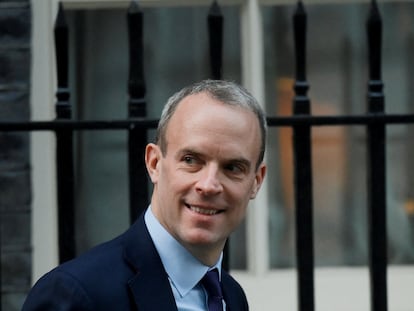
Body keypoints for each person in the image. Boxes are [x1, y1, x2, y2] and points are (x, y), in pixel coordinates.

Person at [22, 79, 267, 311]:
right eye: (191, 160)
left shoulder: (232, 296)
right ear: (154, 163)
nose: (209, 185)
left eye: (233, 168)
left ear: (256, 182)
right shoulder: (74, 294)